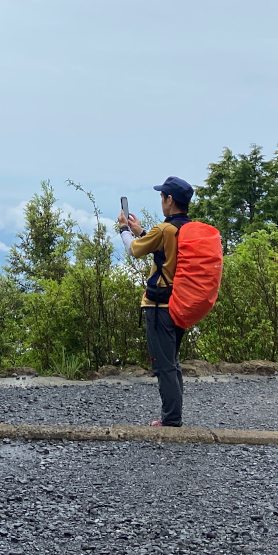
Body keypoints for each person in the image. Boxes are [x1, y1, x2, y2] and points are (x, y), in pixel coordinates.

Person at [116, 176, 194, 427]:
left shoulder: (164, 229)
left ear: (169, 200)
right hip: (181, 303)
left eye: (162, 197)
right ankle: (173, 415)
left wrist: (124, 230)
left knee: (164, 365)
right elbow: (164, 249)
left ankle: (171, 420)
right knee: (172, 360)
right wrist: (140, 231)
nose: (161, 201)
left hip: (159, 306)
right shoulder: (187, 229)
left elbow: (133, 250)